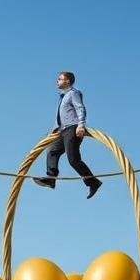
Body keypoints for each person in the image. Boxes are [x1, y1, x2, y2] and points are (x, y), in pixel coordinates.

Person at [33, 71, 103, 199]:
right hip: (62, 130)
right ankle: (51, 178)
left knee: (73, 160)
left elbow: (80, 108)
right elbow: (60, 118)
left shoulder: (73, 93)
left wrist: (81, 124)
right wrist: (52, 131)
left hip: (73, 128)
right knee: (52, 151)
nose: (57, 81)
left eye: (60, 79)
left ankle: (93, 182)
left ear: (67, 81)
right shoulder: (63, 97)